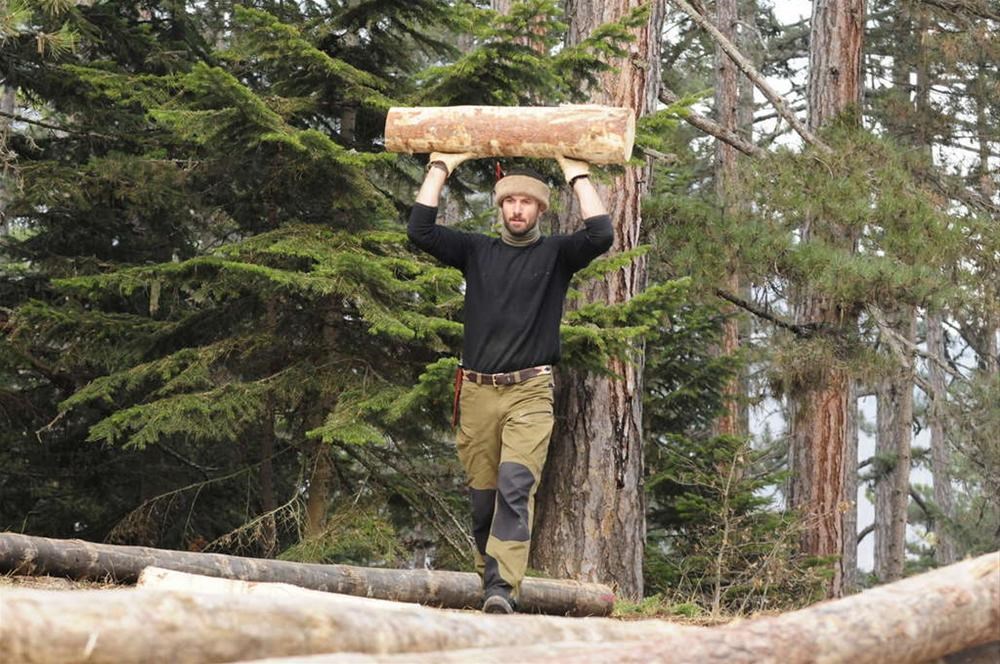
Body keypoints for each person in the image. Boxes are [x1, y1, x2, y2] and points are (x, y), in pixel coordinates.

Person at [407, 151, 613, 614]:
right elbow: (419, 230)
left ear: (541, 209)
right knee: (484, 501)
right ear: (500, 208)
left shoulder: (557, 255)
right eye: (510, 202)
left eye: (527, 202)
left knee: (515, 487)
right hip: (477, 391)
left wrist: (575, 173)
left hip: (530, 390)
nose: (517, 209)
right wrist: (441, 166)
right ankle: (490, 584)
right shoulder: (477, 251)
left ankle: (503, 588)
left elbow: (601, 233)